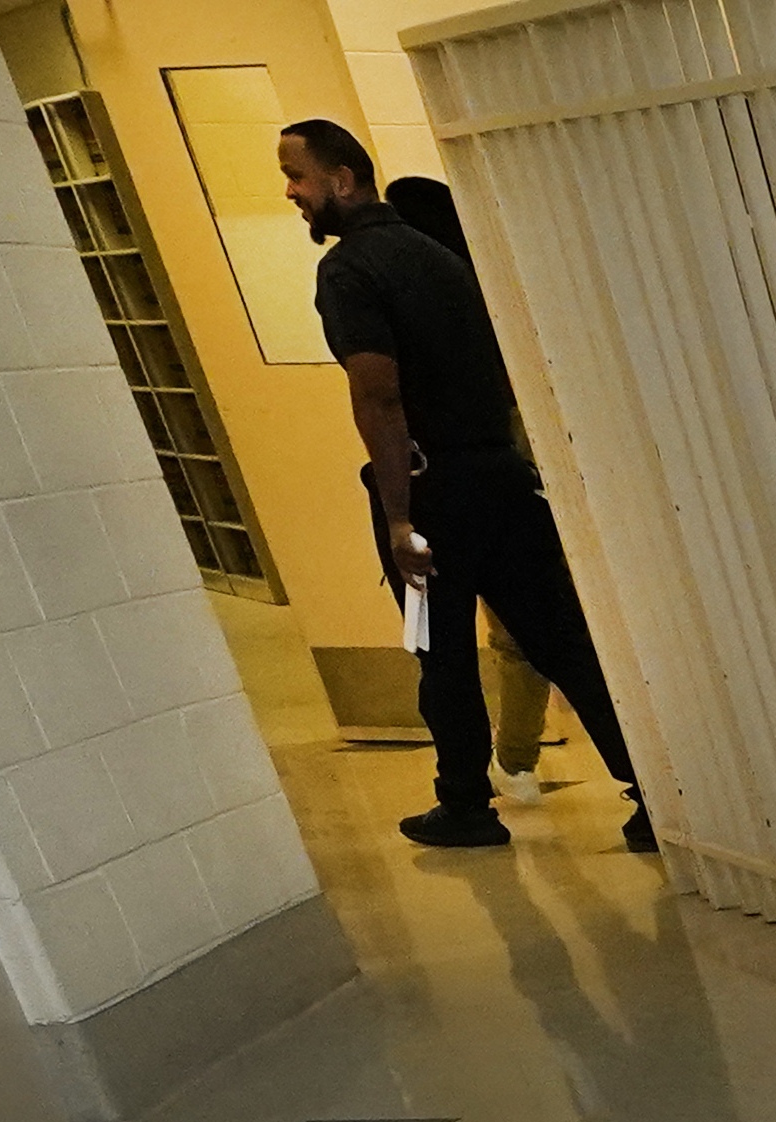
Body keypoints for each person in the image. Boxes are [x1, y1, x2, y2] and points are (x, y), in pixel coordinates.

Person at [275, 120, 653, 856]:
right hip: (502, 480)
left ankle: (466, 807)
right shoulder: (444, 260)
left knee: (441, 654)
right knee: (563, 643)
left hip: (431, 489)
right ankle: (651, 793)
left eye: (297, 175)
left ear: (342, 181)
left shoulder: (350, 271)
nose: (290, 191)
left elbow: (378, 397)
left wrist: (396, 519)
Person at [370, 176, 557, 800]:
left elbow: (385, 398)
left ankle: (508, 767)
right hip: (529, 468)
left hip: (462, 477)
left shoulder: (412, 299)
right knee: (554, 627)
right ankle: (607, 767)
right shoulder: (498, 288)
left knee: (470, 642)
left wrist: (398, 514)